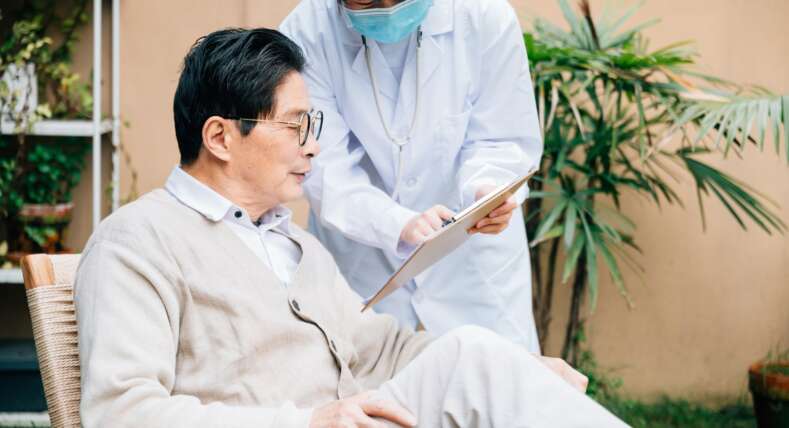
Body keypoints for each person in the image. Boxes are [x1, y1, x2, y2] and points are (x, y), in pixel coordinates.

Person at [74, 27, 626, 427]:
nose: (314, 147)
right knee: (473, 355)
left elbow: (384, 351)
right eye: (295, 126)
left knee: (476, 354)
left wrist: (517, 370)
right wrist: (308, 421)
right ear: (220, 137)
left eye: (312, 125)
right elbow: (120, 412)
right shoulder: (137, 243)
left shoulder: (297, 246)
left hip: (371, 417)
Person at [280, 0, 543, 351]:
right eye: (367, 0)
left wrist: (487, 191)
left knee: (491, 374)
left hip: (472, 262)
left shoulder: (484, 15)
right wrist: (397, 224)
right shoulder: (307, 32)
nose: (387, 7)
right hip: (363, 258)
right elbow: (325, 167)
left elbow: (502, 137)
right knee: (369, 376)